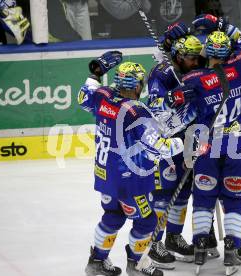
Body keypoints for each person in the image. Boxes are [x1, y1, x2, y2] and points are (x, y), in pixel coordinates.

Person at [77, 51, 184, 276]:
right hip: (131, 180)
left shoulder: (103, 96)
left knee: (113, 215)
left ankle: (96, 261)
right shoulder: (136, 111)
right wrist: (185, 143)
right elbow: (159, 147)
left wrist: (95, 74)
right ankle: (137, 264)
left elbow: (83, 98)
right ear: (138, 85)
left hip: (105, 174)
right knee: (146, 221)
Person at [165, 14, 241, 275]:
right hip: (238, 144)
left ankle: (201, 245)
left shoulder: (194, 78)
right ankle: (233, 249)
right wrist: (224, 25)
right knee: (234, 199)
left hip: (207, 145)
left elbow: (175, 105)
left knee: (203, 197)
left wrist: (177, 95)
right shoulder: (239, 65)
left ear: (207, 52)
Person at [144, 22, 207, 269]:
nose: (196, 62)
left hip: (188, 138)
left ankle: (173, 237)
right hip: (164, 140)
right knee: (163, 193)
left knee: (183, 190)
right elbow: (155, 105)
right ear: (179, 56)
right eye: (191, 58)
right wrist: (174, 98)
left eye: (197, 58)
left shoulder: (193, 68)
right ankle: (153, 242)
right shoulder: (161, 71)